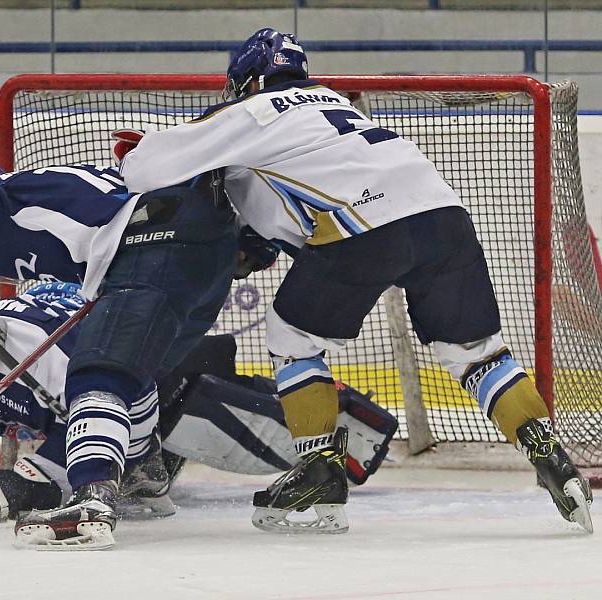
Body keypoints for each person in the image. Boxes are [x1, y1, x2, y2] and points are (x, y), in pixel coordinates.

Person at [118, 28, 594, 534]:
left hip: (362, 223)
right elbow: (289, 201)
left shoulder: (252, 110)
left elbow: (146, 168)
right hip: (444, 218)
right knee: (477, 353)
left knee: (290, 337)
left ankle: (319, 466)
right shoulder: (334, 105)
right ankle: (551, 457)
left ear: (249, 80)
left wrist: (131, 154)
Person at [0, 157, 249, 549]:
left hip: (156, 252)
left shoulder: (4, 216)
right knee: (140, 369)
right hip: (192, 259)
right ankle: (140, 460)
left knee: (109, 376)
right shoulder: (38, 211)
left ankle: (121, 475)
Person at [0, 284, 397, 525]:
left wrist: (37, 479)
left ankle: (347, 431)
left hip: (147, 366)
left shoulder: (46, 351)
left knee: (186, 414)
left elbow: (99, 404)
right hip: (77, 395)